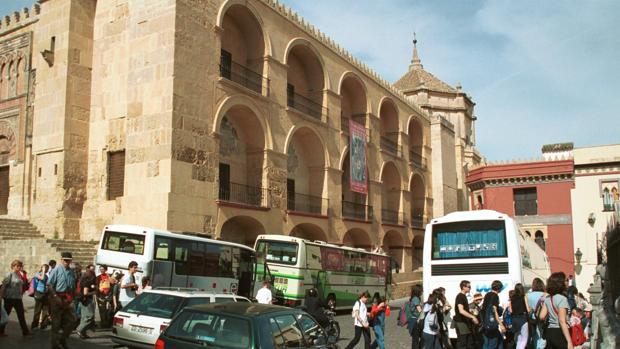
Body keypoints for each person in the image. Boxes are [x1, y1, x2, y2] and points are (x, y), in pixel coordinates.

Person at [47, 252, 77, 349]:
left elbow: (73, 286)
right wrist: (55, 297)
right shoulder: (56, 270)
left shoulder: (72, 272)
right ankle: (54, 344)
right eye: (65, 260)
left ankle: (62, 338)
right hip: (57, 297)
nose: (67, 262)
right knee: (56, 323)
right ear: (61, 260)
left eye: (68, 260)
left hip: (68, 298)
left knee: (73, 321)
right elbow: (50, 284)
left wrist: (73, 297)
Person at [538, 272, 573, 349]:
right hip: (560, 332)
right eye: (565, 280)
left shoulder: (548, 298)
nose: (566, 282)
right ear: (560, 284)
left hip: (550, 332)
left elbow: (541, 316)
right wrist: (569, 341)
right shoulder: (562, 299)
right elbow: (562, 321)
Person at [0, 260, 31, 337]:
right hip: (9, 298)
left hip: (18, 298)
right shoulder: (9, 274)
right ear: (13, 266)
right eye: (18, 266)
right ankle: (1, 331)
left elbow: (21, 285)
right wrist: (0, 297)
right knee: (5, 315)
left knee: (21, 315)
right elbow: (3, 286)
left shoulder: (19, 275)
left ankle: (25, 332)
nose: (19, 267)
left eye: (20, 266)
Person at [454, 280, 479, 349]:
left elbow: (463, 309)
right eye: (469, 286)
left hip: (465, 323)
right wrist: (472, 317)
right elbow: (461, 310)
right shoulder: (460, 296)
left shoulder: (463, 296)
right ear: (463, 287)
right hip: (461, 323)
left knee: (469, 342)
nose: (470, 288)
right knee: (462, 343)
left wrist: (470, 311)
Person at [481, 280, 506, 349]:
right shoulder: (495, 296)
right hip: (491, 324)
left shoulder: (487, 295)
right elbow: (494, 311)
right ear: (499, 288)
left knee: (489, 343)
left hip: (485, 323)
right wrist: (501, 324)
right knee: (492, 344)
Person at [75, 267, 97, 338]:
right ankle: (79, 329)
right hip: (87, 300)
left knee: (84, 317)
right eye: (93, 275)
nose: (94, 277)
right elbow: (85, 293)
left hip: (83, 300)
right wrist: (93, 292)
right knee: (89, 316)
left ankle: (83, 332)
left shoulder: (83, 280)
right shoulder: (87, 282)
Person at [526, 277, 546, 349]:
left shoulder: (527, 295)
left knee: (534, 336)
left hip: (532, 320)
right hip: (543, 318)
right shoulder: (546, 295)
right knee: (543, 336)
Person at [509, 283, 530, 349]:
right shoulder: (524, 296)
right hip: (522, 318)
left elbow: (510, 310)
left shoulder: (512, 298)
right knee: (524, 339)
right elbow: (528, 310)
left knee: (519, 338)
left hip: (514, 319)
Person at [31, 264, 50, 331]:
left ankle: (43, 325)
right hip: (38, 293)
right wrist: (43, 270)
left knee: (45, 310)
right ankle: (34, 325)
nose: (46, 269)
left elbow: (48, 284)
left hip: (45, 294)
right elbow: (41, 278)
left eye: (47, 268)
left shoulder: (46, 276)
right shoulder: (37, 274)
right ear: (41, 268)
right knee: (37, 310)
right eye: (45, 268)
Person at [406, 284, 423, 349]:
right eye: (421, 290)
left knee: (416, 339)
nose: (422, 292)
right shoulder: (415, 299)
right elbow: (419, 310)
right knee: (416, 340)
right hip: (415, 321)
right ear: (418, 291)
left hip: (414, 320)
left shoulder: (415, 298)